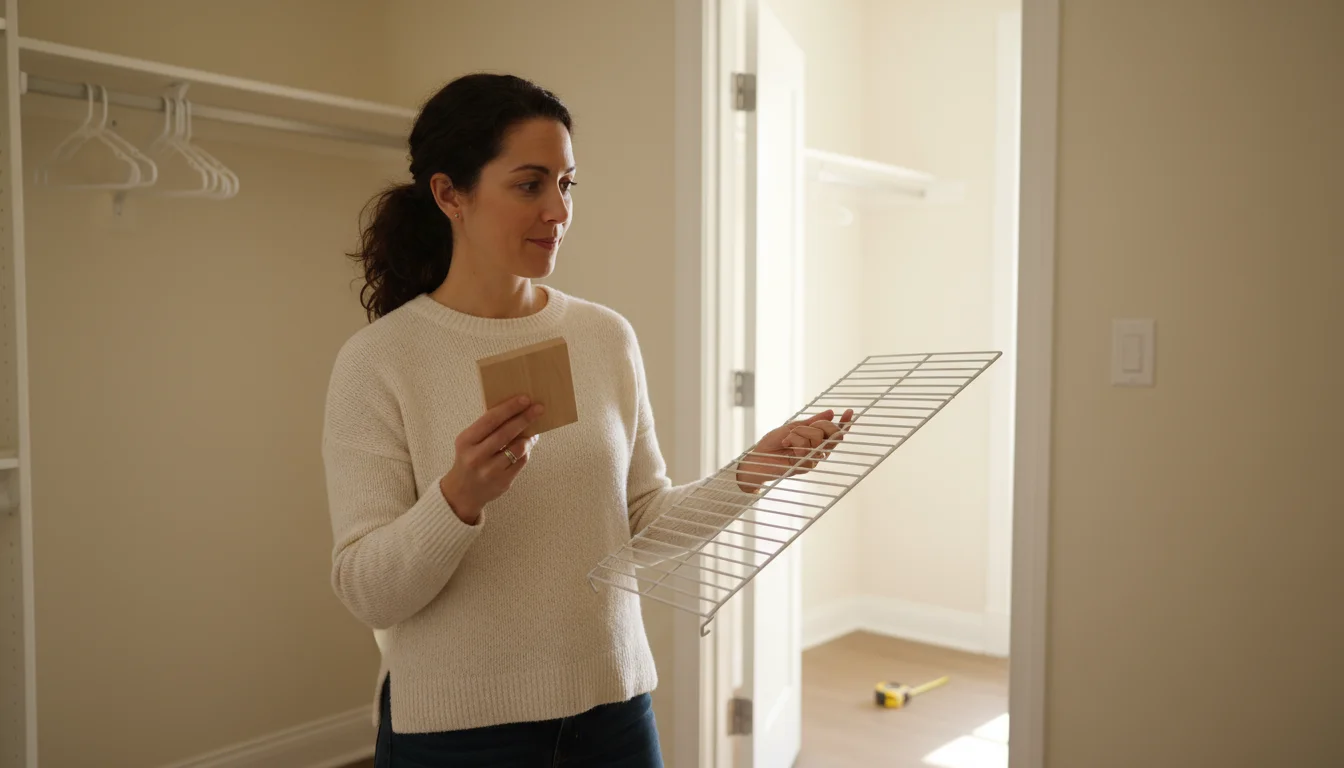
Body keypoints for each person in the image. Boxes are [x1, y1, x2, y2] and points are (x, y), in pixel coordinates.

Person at [322, 72, 851, 768]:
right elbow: (367, 590)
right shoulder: (380, 360)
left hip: (613, 712)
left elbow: (639, 518)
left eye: (566, 185)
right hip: (460, 734)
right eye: (530, 184)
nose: (558, 210)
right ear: (450, 194)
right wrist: (458, 500)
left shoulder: (604, 336)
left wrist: (756, 468)